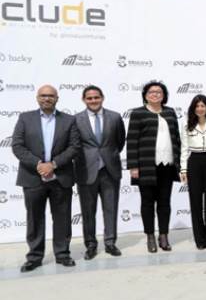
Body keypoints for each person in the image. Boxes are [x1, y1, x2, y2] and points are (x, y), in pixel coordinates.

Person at [13, 85, 81, 272]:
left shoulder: (69, 120)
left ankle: (62, 254)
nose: (47, 98)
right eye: (43, 95)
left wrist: (53, 164)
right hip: (32, 177)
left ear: (57, 98)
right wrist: (39, 164)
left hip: (61, 177)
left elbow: (74, 147)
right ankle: (34, 257)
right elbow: (17, 146)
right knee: (34, 219)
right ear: (37, 98)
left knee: (62, 218)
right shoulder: (25, 118)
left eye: (51, 95)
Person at [127, 81, 181, 253]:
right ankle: (150, 236)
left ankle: (163, 235)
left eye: (159, 92)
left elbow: (176, 138)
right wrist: (133, 166)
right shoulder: (138, 113)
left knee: (165, 202)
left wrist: (180, 164)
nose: (155, 94)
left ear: (164, 95)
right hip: (146, 166)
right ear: (145, 95)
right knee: (147, 203)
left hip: (167, 165)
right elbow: (132, 140)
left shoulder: (170, 112)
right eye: (151, 92)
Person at [73, 85, 126, 259]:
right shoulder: (76, 119)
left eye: (96, 97)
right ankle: (90, 245)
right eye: (89, 98)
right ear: (84, 100)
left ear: (102, 98)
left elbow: (120, 142)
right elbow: (74, 145)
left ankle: (110, 243)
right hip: (86, 171)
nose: (93, 100)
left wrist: (108, 156)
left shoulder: (115, 117)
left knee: (111, 209)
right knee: (88, 211)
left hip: (110, 171)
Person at [180, 94, 206, 250]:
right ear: (193, 108)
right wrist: (183, 169)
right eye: (197, 106)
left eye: (203, 106)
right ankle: (200, 239)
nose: (200, 109)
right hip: (194, 162)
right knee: (195, 202)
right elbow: (184, 148)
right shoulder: (186, 124)